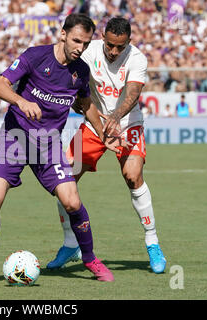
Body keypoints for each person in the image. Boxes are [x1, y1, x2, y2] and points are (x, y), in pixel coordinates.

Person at [0, 13, 129, 284]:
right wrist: (21, 101)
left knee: (72, 201)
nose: (80, 47)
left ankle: (89, 258)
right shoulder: (35, 56)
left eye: (86, 43)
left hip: (48, 145)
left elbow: (86, 103)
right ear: (63, 34)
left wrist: (103, 135)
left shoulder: (81, 71)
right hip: (15, 138)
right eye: (77, 40)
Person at [46, 17, 167, 274]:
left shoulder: (137, 58)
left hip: (128, 125)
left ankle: (152, 241)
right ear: (103, 37)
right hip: (94, 125)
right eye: (110, 45)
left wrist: (115, 117)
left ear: (128, 43)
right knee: (64, 179)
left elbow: (133, 94)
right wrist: (77, 103)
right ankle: (70, 244)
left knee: (132, 176)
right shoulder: (88, 52)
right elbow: (72, 83)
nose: (113, 52)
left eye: (119, 47)